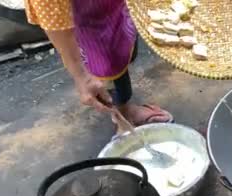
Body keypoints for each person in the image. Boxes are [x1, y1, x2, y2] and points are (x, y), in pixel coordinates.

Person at [26, 0, 173, 128]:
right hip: (89, 25)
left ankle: (121, 105)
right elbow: (52, 14)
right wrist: (83, 77)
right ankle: (123, 115)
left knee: (124, 52)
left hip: (114, 10)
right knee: (107, 75)